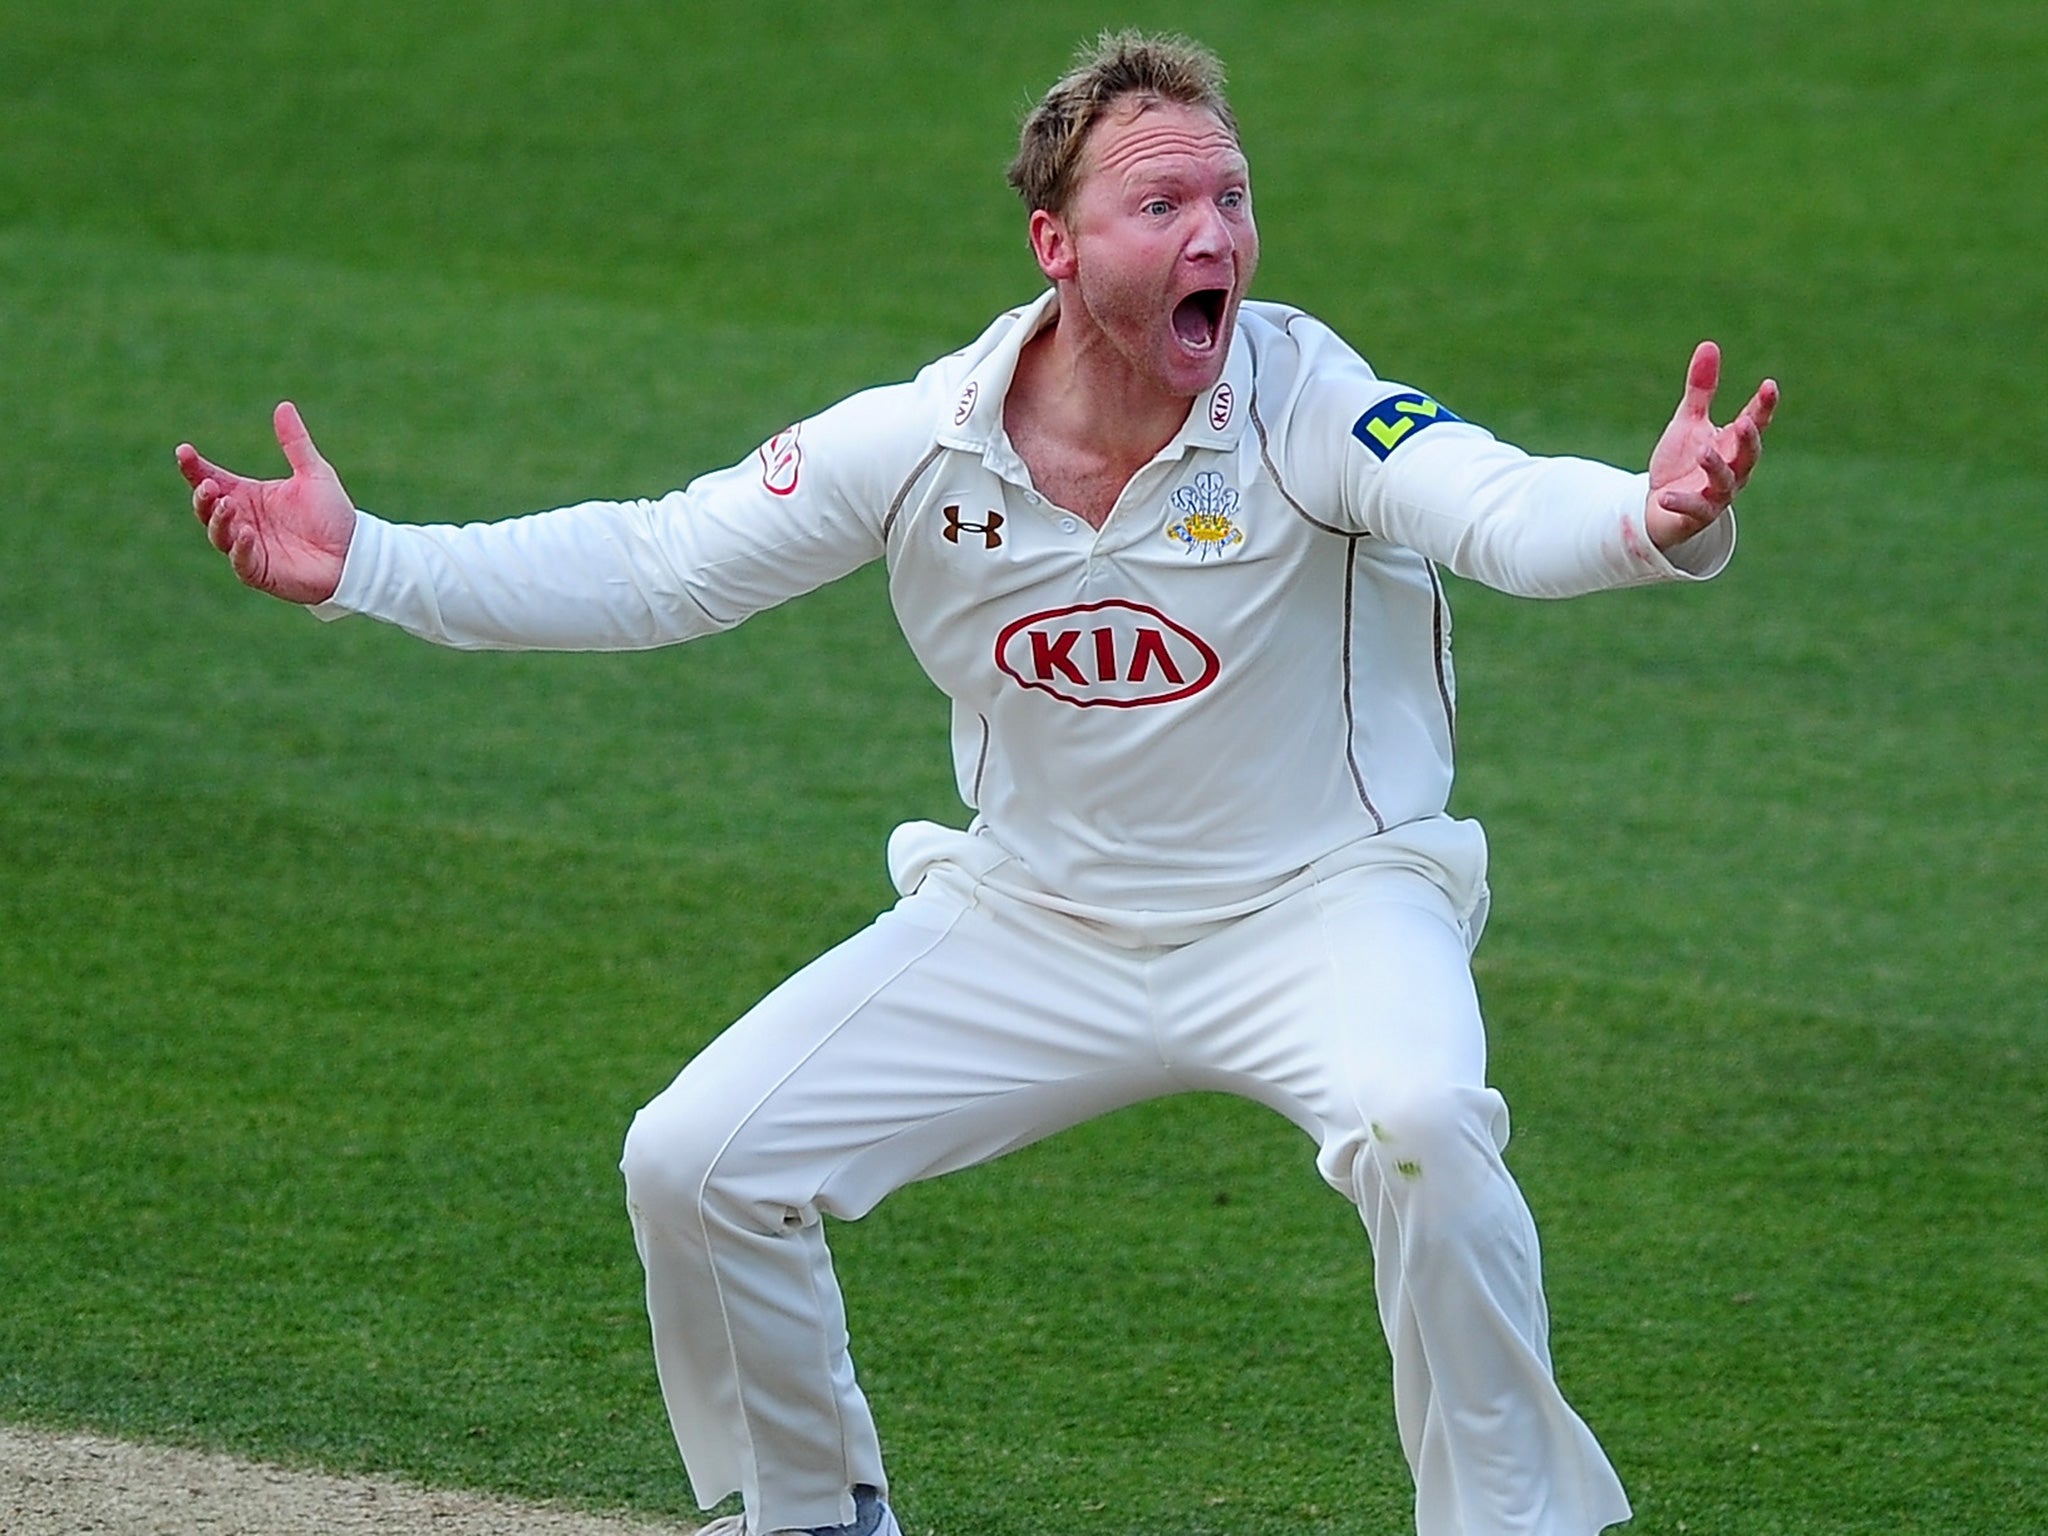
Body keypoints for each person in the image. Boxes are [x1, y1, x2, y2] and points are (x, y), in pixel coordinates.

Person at [177, 30, 1777, 1536]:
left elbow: (1490, 502)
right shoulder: (921, 443)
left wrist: (1655, 515)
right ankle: (815, 1509)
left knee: (1419, 1118)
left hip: (1328, 906)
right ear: (1056, 249)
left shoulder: (1308, 403)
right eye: (1161, 201)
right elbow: (660, 566)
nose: (1214, 229)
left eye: (1231, 196)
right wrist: (367, 563)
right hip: (1037, 916)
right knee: (699, 1161)